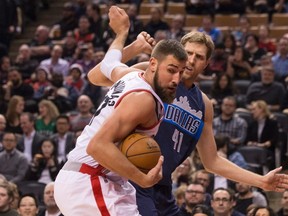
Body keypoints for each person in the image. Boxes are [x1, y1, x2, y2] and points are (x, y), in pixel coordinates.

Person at [89, 10, 288, 216]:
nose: (192, 60)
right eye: (188, 53)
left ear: (207, 63)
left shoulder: (204, 105)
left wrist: (261, 181)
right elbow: (95, 76)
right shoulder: (153, 74)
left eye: (199, 57)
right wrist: (135, 47)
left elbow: (212, 161)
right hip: (132, 181)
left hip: (163, 187)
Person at [54, 6, 187, 216]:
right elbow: (97, 146)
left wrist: (130, 43)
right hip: (89, 180)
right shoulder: (142, 99)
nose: (176, 80)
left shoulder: (131, 75)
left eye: (180, 73)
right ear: (152, 64)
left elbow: (99, 72)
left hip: (100, 180)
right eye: (171, 71)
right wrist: (142, 179)